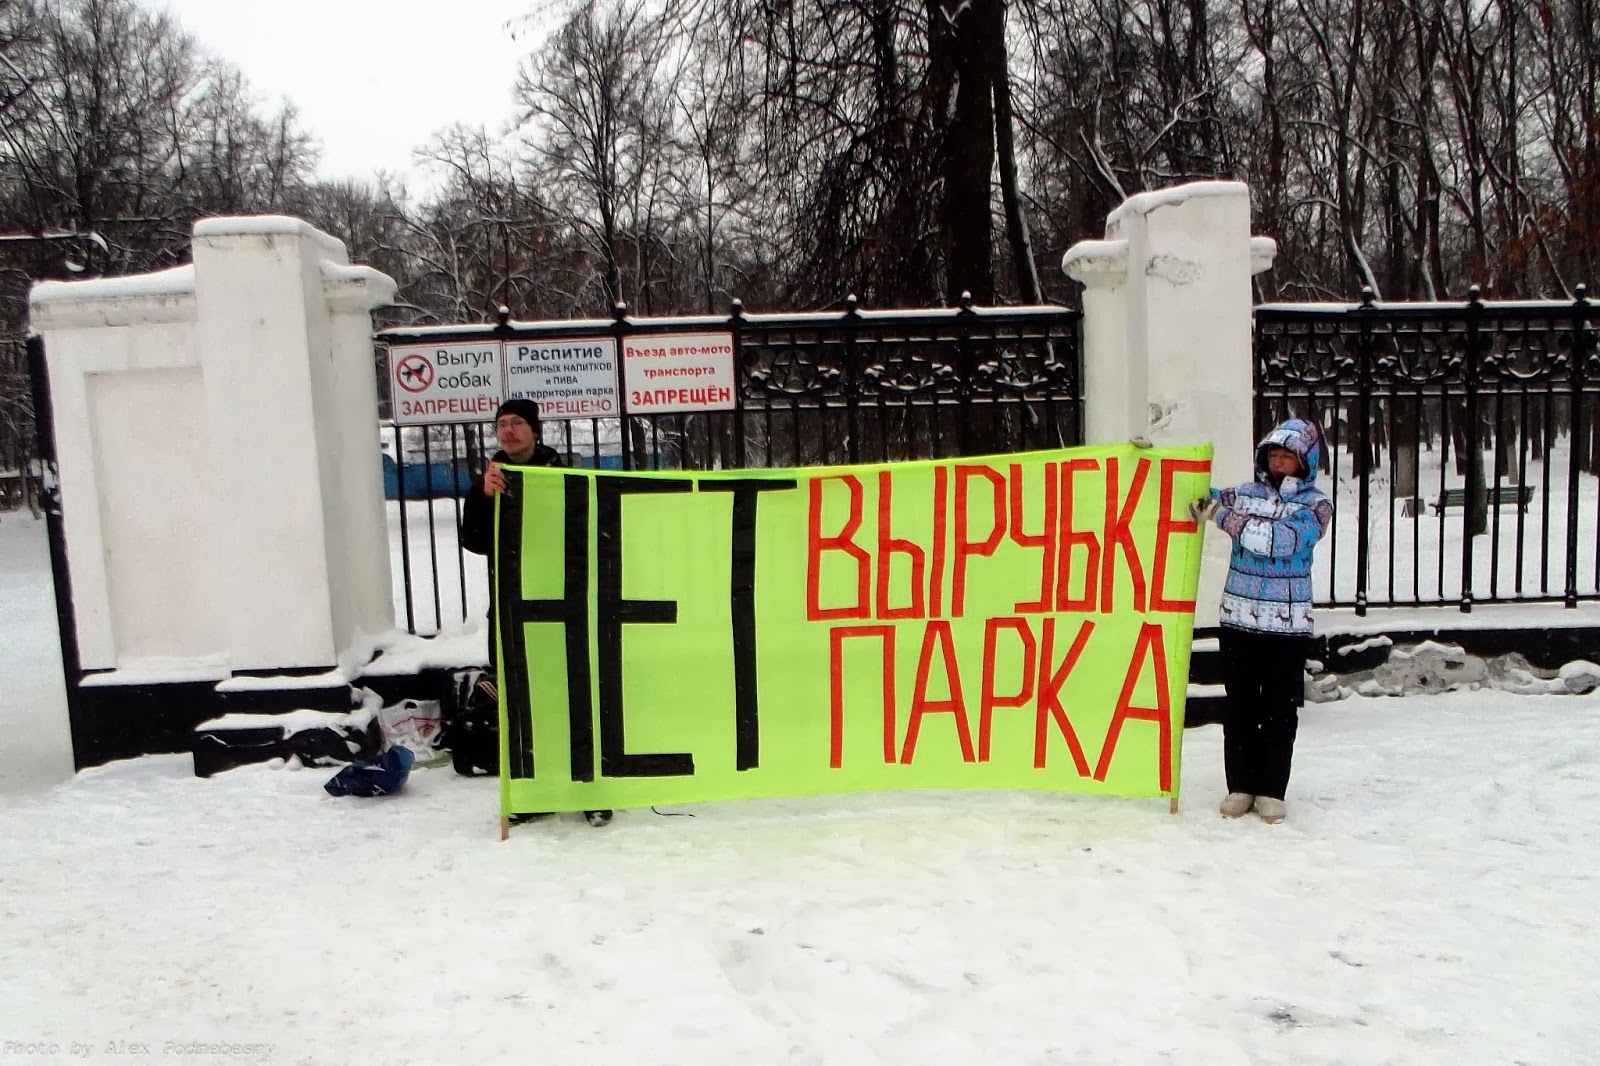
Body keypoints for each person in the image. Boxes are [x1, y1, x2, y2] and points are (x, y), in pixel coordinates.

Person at [460, 398, 613, 828]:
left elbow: (590, 531)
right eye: (501, 425)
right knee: (524, 702)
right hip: (513, 606)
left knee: (578, 696)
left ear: (535, 430)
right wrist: (484, 495)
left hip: (566, 602)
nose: (507, 431)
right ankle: (535, 789)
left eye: (516, 424)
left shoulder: (563, 475)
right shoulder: (488, 481)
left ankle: (591, 789)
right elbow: (473, 541)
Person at [1190, 418, 1332, 824]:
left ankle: (1271, 790)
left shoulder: (1316, 505)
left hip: (1287, 629)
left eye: (1288, 455)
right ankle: (1240, 786)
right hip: (1238, 619)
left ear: (1305, 461)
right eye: (1274, 454)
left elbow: (1276, 542)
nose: (1279, 461)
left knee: (1279, 709)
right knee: (1239, 707)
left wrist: (1221, 517)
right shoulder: (1244, 495)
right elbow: (1191, 491)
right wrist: (1150, 460)